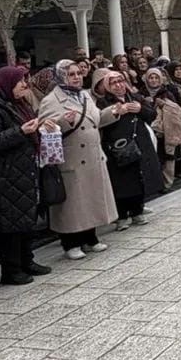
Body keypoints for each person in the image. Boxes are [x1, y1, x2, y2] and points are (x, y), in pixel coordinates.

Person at [0, 66, 53, 286]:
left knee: (26, 220)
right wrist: (21, 131)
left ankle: (27, 261)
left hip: (24, 170)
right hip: (5, 175)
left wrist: (39, 126)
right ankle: (11, 270)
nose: (25, 86)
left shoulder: (19, 103)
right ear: (9, 84)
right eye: (21, 82)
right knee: (11, 226)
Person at [37, 60, 119, 260]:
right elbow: (45, 127)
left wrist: (113, 112)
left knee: (89, 199)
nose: (76, 77)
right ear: (60, 77)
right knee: (74, 204)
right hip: (71, 158)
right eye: (71, 74)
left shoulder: (84, 95)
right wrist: (65, 121)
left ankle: (90, 237)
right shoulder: (51, 100)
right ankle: (70, 242)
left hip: (92, 155)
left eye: (78, 73)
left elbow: (96, 119)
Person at [93, 70, 161, 230]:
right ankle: (122, 215)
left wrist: (140, 109)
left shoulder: (135, 97)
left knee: (139, 178)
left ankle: (137, 210)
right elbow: (99, 121)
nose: (118, 86)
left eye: (120, 81)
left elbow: (152, 114)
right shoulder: (103, 102)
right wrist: (116, 112)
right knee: (122, 182)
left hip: (139, 144)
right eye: (113, 83)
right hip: (118, 148)